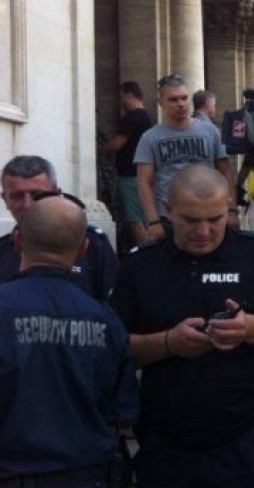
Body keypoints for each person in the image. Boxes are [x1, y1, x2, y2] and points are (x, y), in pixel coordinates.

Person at [109, 165, 254, 488]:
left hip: (248, 440)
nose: (203, 231)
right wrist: (167, 343)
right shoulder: (140, 264)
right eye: (190, 220)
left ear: (229, 208)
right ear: (168, 210)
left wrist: (249, 328)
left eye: (214, 219)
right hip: (168, 444)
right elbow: (113, 348)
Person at [0, 196, 138, 486]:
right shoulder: (106, 322)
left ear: (18, 241)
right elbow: (122, 411)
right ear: (84, 249)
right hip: (87, 472)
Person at [0, 155, 119, 302]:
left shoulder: (94, 245)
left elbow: (114, 308)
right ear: (5, 200)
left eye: (37, 195)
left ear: (56, 194)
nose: (28, 205)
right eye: (17, 196)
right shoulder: (3, 252)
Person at [135, 74, 237, 242]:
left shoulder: (210, 131)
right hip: (168, 217)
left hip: (208, 212)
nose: (181, 104)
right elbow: (144, 182)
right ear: (161, 103)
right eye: (174, 100)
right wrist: (153, 221)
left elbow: (225, 172)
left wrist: (232, 210)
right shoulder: (150, 138)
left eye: (184, 98)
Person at [97, 80, 153, 247]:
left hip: (129, 175)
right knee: (141, 218)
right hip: (141, 174)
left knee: (132, 218)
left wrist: (97, 151)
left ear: (129, 95)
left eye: (122, 97)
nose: (121, 102)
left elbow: (118, 143)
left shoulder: (132, 117)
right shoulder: (145, 117)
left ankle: (146, 256)